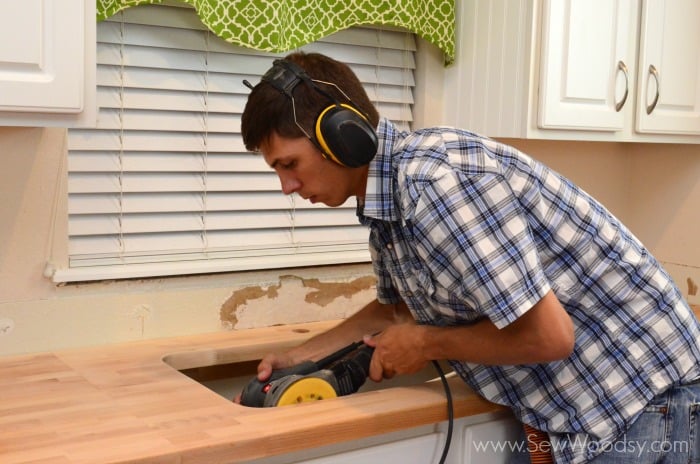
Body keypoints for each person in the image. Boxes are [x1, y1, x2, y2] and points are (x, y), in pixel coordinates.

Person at [238, 51, 700, 464]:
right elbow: (397, 306)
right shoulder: (386, 200)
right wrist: (303, 356)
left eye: (289, 164)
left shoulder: (437, 184)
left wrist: (425, 344)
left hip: (642, 401)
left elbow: (551, 337)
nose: (287, 188)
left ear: (342, 137)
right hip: (581, 411)